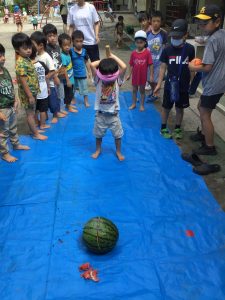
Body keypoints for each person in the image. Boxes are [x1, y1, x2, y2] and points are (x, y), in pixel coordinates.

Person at [189, 5, 225, 155]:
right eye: (200, 22)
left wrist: (192, 67)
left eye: (205, 23)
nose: (202, 25)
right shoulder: (222, 34)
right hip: (220, 82)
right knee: (200, 106)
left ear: (217, 22)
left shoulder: (212, 41)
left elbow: (207, 67)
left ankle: (209, 146)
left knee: (205, 113)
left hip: (213, 83)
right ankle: (203, 134)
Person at [154, 19, 195, 139]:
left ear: (185, 35)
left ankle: (177, 128)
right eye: (173, 36)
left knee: (179, 108)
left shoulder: (190, 49)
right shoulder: (167, 49)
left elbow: (191, 66)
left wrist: (191, 83)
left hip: (183, 86)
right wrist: (158, 83)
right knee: (166, 107)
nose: (175, 39)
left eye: (178, 36)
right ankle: (163, 128)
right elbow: (162, 67)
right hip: (169, 85)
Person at [90, 49, 127, 161]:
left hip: (114, 115)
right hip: (100, 114)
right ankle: (98, 149)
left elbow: (124, 67)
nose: (109, 78)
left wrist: (112, 56)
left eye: (111, 75)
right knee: (98, 135)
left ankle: (118, 151)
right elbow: (92, 65)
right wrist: (105, 60)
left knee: (118, 135)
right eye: (106, 75)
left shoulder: (117, 80)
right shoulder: (97, 80)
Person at [11, 33, 47, 140]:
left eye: (29, 47)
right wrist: (30, 96)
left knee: (32, 111)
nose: (28, 50)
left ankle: (34, 129)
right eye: (25, 48)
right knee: (30, 114)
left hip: (32, 93)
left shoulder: (26, 59)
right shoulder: (21, 63)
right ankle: (35, 134)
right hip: (28, 94)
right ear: (17, 50)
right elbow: (23, 82)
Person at [0, 43, 30, 163]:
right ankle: (5, 153)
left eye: (3, 54)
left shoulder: (5, 70)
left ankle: (16, 144)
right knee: (3, 133)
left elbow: (11, 87)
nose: (3, 58)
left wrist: (16, 99)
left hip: (11, 106)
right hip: (2, 109)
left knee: (13, 128)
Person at [31, 31, 60, 124]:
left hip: (49, 85)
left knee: (52, 102)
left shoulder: (46, 56)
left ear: (41, 45)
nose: (30, 46)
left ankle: (55, 114)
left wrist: (46, 77)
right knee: (43, 103)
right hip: (40, 86)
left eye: (32, 44)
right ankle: (45, 115)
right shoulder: (35, 56)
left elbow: (53, 70)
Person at [43, 24, 67, 118]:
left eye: (54, 35)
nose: (52, 38)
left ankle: (59, 109)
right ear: (45, 37)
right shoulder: (46, 49)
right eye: (49, 36)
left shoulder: (57, 47)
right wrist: (55, 77)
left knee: (60, 94)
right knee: (54, 95)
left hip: (60, 74)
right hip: (53, 77)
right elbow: (49, 66)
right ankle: (55, 113)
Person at [126, 30, 153, 111]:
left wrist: (151, 75)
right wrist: (129, 74)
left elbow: (151, 64)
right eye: (137, 42)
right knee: (134, 90)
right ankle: (133, 104)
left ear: (145, 42)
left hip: (142, 76)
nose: (139, 44)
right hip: (135, 76)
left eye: (141, 42)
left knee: (142, 91)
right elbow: (131, 65)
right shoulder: (133, 53)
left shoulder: (147, 53)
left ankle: (142, 105)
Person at [146, 11, 167, 102]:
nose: (155, 23)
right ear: (150, 21)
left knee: (155, 80)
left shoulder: (164, 34)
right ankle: (153, 90)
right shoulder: (147, 34)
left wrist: (165, 61)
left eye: (158, 21)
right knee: (149, 79)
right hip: (149, 62)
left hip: (159, 62)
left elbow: (165, 48)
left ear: (161, 22)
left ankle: (156, 94)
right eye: (154, 21)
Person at [30, 45, 50, 130]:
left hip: (34, 92)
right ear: (36, 53)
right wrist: (48, 87)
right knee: (42, 109)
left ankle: (36, 122)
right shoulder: (41, 64)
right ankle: (42, 124)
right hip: (43, 90)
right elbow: (46, 77)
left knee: (35, 110)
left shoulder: (28, 66)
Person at [70, 30, 91, 108]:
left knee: (85, 89)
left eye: (81, 41)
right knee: (73, 89)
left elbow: (86, 62)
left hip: (82, 74)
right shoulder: (71, 51)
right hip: (73, 75)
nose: (79, 43)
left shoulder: (84, 51)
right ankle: (73, 99)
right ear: (73, 41)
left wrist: (89, 72)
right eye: (77, 41)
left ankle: (86, 101)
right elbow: (69, 62)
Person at [58, 33, 78, 113]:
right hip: (67, 79)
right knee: (68, 93)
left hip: (71, 77)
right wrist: (67, 80)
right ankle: (68, 106)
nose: (67, 47)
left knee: (71, 92)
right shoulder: (63, 56)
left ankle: (68, 104)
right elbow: (64, 69)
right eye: (64, 45)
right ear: (60, 46)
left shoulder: (68, 53)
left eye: (68, 45)